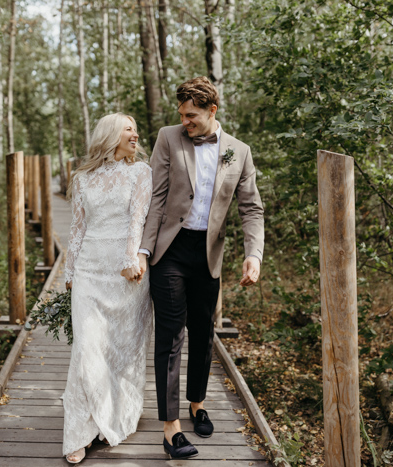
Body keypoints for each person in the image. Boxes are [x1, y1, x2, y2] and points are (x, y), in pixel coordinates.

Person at [138, 76, 265, 459]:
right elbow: (156, 198)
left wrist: (253, 254)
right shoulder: (168, 137)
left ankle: (197, 403)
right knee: (171, 335)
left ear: (212, 111)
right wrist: (143, 252)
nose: (184, 121)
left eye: (191, 115)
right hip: (170, 251)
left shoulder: (239, 152)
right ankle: (170, 427)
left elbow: (251, 209)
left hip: (208, 255)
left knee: (203, 332)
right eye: (181, 114)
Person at [62, 113, 153, 464]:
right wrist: (70, 270)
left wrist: (132, 259)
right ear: (111, 134)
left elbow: (137, 217)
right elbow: (77, 228)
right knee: (87, 348)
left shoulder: (140, 172)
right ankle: (78, 432)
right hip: (88, 270)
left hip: (125, 274)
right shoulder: (83, 178)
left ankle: (111, 416)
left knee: (122, 348)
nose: (135, 134)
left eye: (134, 128)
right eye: (128, 129)